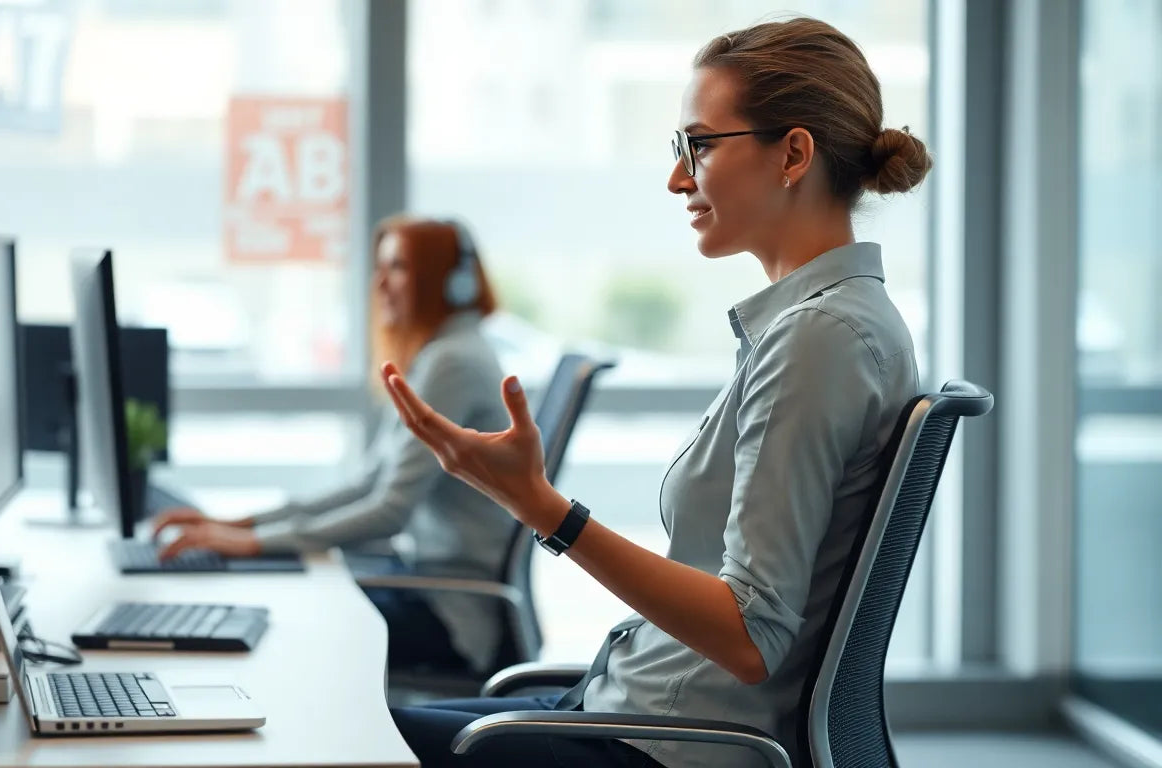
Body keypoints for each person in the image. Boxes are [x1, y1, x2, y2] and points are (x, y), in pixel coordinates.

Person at [379, 17, 931, 768]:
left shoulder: (820, 339)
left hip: (667, 743)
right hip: (633, 706)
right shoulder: (822, 327)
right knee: (366, 720)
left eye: (698, 146)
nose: (678, 178)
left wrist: (545, 509)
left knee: (342, 741)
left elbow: (748, 633)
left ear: (793, 154)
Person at [153, 215, 515, 676]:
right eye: (381, 267)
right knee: (285, 595)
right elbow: (369, 483)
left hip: (452, 610)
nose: (380, 283)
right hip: (427, 585)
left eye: (399, 267)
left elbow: (389, 511)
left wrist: (252, 542)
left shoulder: (452, 363)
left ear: (453, 283)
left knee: (284, 620)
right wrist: (240, 525)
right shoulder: (441, 354)